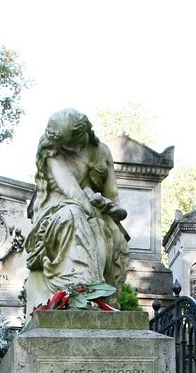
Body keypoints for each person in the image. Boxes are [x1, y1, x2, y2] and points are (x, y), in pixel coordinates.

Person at [25, 109, 129, 310]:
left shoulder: (102, 152)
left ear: (86, 130)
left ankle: (94, 295)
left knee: (104, 229)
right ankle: (80, 292)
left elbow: (119, 209)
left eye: (77, 142)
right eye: (68, 146)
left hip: (94, 213)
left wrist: (105, 205)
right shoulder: (52, 153)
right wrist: (93, 211)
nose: (75, 149)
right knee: (75, 214)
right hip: (55, 215)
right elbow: (74, 194)